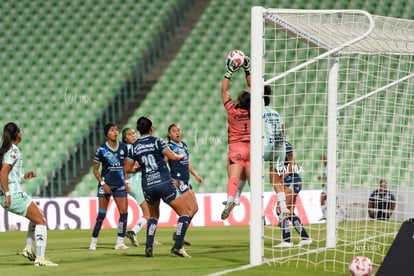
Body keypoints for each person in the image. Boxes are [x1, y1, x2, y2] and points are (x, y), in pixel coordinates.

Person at [124, 116, 193, 258]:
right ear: (151, 128)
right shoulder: (157, 141)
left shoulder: (134, 147)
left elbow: (128, 168)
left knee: (153, 216)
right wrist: (180, 156)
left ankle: (148, 248)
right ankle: (177, 246)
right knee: (185, 213)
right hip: (163, 182)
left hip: (148, 185)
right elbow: (172, 157)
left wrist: (140, 168)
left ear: (139, 129)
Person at [0, 122, 58, 266]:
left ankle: (28, 248)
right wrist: (7, 194)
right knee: (41, 221)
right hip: (13, 195)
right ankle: (40, 258)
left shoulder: (6, 150)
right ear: (17, 134)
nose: (22, 132)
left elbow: (9, 174)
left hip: (9, 194)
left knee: (38, 214)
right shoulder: (13, 150)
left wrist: (24, 176)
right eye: (20, 130)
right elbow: (3, 173)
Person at [89, 123, 129, 251]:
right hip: (105, 184)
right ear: (107, 134)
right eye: (112, 130)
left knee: (124, 213)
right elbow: (95, 171)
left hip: (120, 185)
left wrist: (126, 182)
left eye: (117, 130)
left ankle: (120, 242)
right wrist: (103, 184)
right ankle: (93, 242)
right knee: (101, 214)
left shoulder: (123, 147)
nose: (116, 132)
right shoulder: (101, 149)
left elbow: (125, 168)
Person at [220, 53, 251, 220]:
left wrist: (228, 72)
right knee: (252, 180)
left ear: (238, 100)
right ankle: (259, 210)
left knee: (233, 174)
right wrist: (247, 69)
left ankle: (231, 199)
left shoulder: (232, 110)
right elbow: (252, 88)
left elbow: (224, 91)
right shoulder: (253, 110)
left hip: (236, 146)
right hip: (252, 147)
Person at [166, 123, 203, 246]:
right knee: (189, 209)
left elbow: (187, 163)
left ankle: (179, 233)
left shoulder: (184, 145)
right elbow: (163, 164)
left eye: (178, 130)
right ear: (169, 134)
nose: (177, 133)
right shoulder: (169, 147)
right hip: (178, 180)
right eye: (174, 131)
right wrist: (170, 178)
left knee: (195, 208)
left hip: (186, 179)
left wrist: (195, 175)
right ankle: (178, 236)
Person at [274, 141, 312, 247]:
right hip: (294, 182)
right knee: (290, 212)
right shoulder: (280, 146)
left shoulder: (285, 146)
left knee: (280, 209)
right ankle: (305, 238)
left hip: (292, 181)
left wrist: (282, 177)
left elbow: (292, 163)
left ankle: (287, 240)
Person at [262, 85, 290, 221]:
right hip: (280, 148)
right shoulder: (276, 113)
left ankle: (236, 194)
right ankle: (284, 207)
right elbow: (283, 130)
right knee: (275, 180)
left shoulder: (257, 112)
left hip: (265, 146)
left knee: (246, 165)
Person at [121, 127, 152, 247]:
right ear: (125, 138)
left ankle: (151, 237)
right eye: (129, 134)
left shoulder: (132, 147)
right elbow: (126, 168)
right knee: (148, 212)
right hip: (134, 183)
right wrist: (126, 182)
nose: (133, 135)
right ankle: (132, 232)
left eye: (134, 133)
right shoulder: (129, 149)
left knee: (151, 211)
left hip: (138, 182)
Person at [318, 154, 328, 220]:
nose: (323, 160)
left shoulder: (329, 166)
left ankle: (344, 214)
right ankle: (324, 215)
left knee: (336, 203)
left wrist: (321, 178)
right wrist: (323, 183)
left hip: (330, 187)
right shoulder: (324, 167)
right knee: (322, 200)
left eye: (324, 158)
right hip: (325, 187)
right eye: (322, 159)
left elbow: (330, 176)